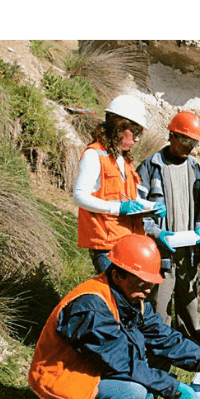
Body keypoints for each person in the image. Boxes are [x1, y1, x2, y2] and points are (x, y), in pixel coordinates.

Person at [28, 234, 200, 399]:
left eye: (150, 283)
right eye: (141, 282)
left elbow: (165, 338)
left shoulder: (129, 297)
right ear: (117, 274)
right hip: (62, 384)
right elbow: (123, 363)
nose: (147, 290)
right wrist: (175, 388)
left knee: (161, 358)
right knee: (134, 393)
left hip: (96, 365)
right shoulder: (91, 307)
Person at [136, 111, 200, 346]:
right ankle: (158, 350)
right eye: (186, 141)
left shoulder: (195, 168)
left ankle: (190, 347)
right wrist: (157, 235)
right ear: (172, 136)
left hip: (189, 252)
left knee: (189, 303)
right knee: (159, 308)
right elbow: (139, 213)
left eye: (194, 143)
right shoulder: (150, 167)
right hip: (161, 254)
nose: (190, 147)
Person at [73, 94, 157, 274]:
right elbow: (79, 196)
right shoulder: (94, 155)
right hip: (106, 246)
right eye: (135, 132)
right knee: (117, 295)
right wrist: (117, 209)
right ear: (119, 127)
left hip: (127, 242)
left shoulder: (124, 160)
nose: (137, 139)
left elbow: (130, 199)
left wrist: (151, 206)